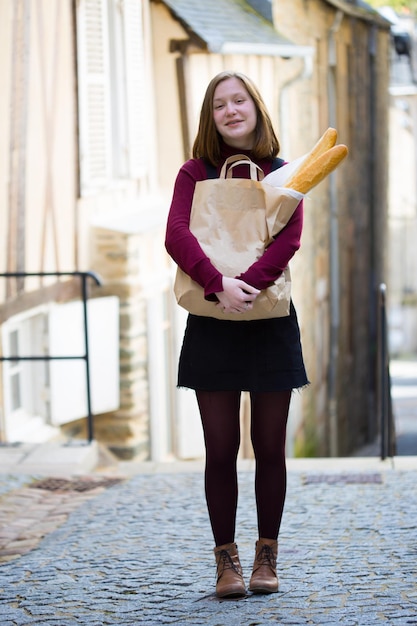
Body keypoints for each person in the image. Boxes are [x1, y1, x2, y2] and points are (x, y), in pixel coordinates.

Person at [165, 71, 308, 598]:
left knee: (270, 446)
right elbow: (175, 232)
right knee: (220, 447)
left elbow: (289, 238)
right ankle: (225, 563)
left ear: (255, 107)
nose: (230, 110)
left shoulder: (283, 172)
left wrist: (244, 285)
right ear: (212, 115)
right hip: (212, 319)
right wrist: (217, 284)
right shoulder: (193, 171)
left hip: (269, 319)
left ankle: (266, 557)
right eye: (220, 104)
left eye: (238, 100)